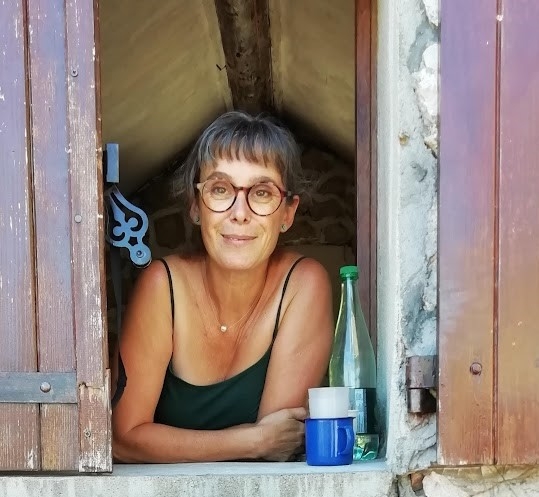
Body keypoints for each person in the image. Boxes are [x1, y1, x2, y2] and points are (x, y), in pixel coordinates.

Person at [112, 111, 334, 463]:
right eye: (220, 189)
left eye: (262, 193)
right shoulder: (162, 285)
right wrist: (253, 441)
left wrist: (261, 443)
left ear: (288, 213)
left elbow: (276, 448)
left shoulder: (302, 284)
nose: (240, 213)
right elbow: (123, 440)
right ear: (195, 205)